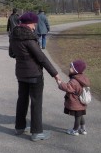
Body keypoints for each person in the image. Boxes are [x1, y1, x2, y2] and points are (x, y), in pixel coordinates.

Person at [9, 12, 61, 142]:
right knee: (36, 102)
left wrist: (22, 56)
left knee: (22, 100)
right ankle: (37, 132)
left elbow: (11, 53)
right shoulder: (29, 39)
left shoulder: (13, 36)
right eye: (34, 24)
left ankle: (19, 127)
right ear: (28, 24)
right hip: (34, 75)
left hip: (21, 74)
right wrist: (55, 74)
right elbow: (41, 58)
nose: (34, 27)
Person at [56, 60, 90, 136]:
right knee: (80, 115)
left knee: (77, 117)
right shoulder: (82, 78)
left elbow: (68, 87)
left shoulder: (74, 81)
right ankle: (83, 129)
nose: (69, 68)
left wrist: (60, 83)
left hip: (75, 102)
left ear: (76, 70)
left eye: (71, 67)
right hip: (81, 101)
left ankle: (75, 130)